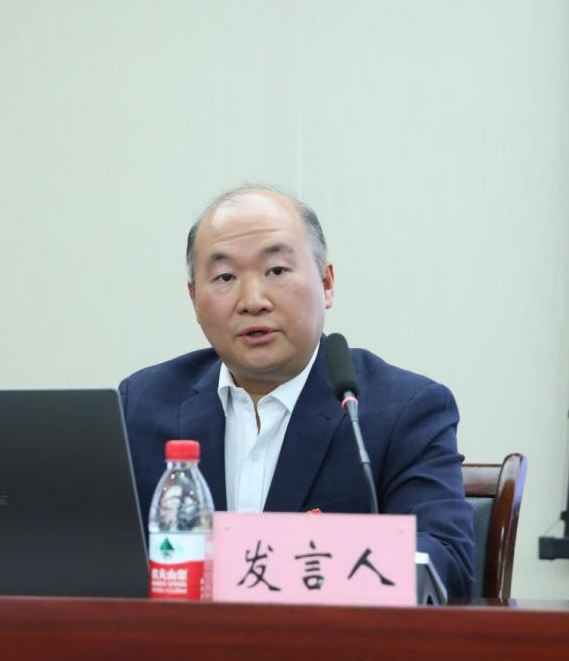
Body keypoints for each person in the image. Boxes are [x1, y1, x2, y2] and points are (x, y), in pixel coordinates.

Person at [119, 186, 476, 597]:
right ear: (194, 298)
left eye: (276, 270)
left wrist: (300, 565)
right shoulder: (141, 404)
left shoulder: (403, 410)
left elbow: (445, 561)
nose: (253, 301)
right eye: (225, 277)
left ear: (326, 283)